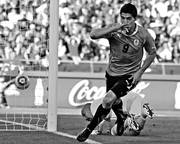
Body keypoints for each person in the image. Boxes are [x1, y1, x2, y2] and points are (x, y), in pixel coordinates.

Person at [77, 3, 156, 142]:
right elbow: (93, 35)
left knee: (107, 99)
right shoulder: (115, 30)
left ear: (134, 19)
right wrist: (115, 27)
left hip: (130, 75)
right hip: (111, 74)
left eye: (128, 19)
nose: (125, 22)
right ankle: (121, 119)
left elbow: (152, 53)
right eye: (123, 18)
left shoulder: (143, 34)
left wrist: (140, 72)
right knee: (111, 103)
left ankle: (88, 129)